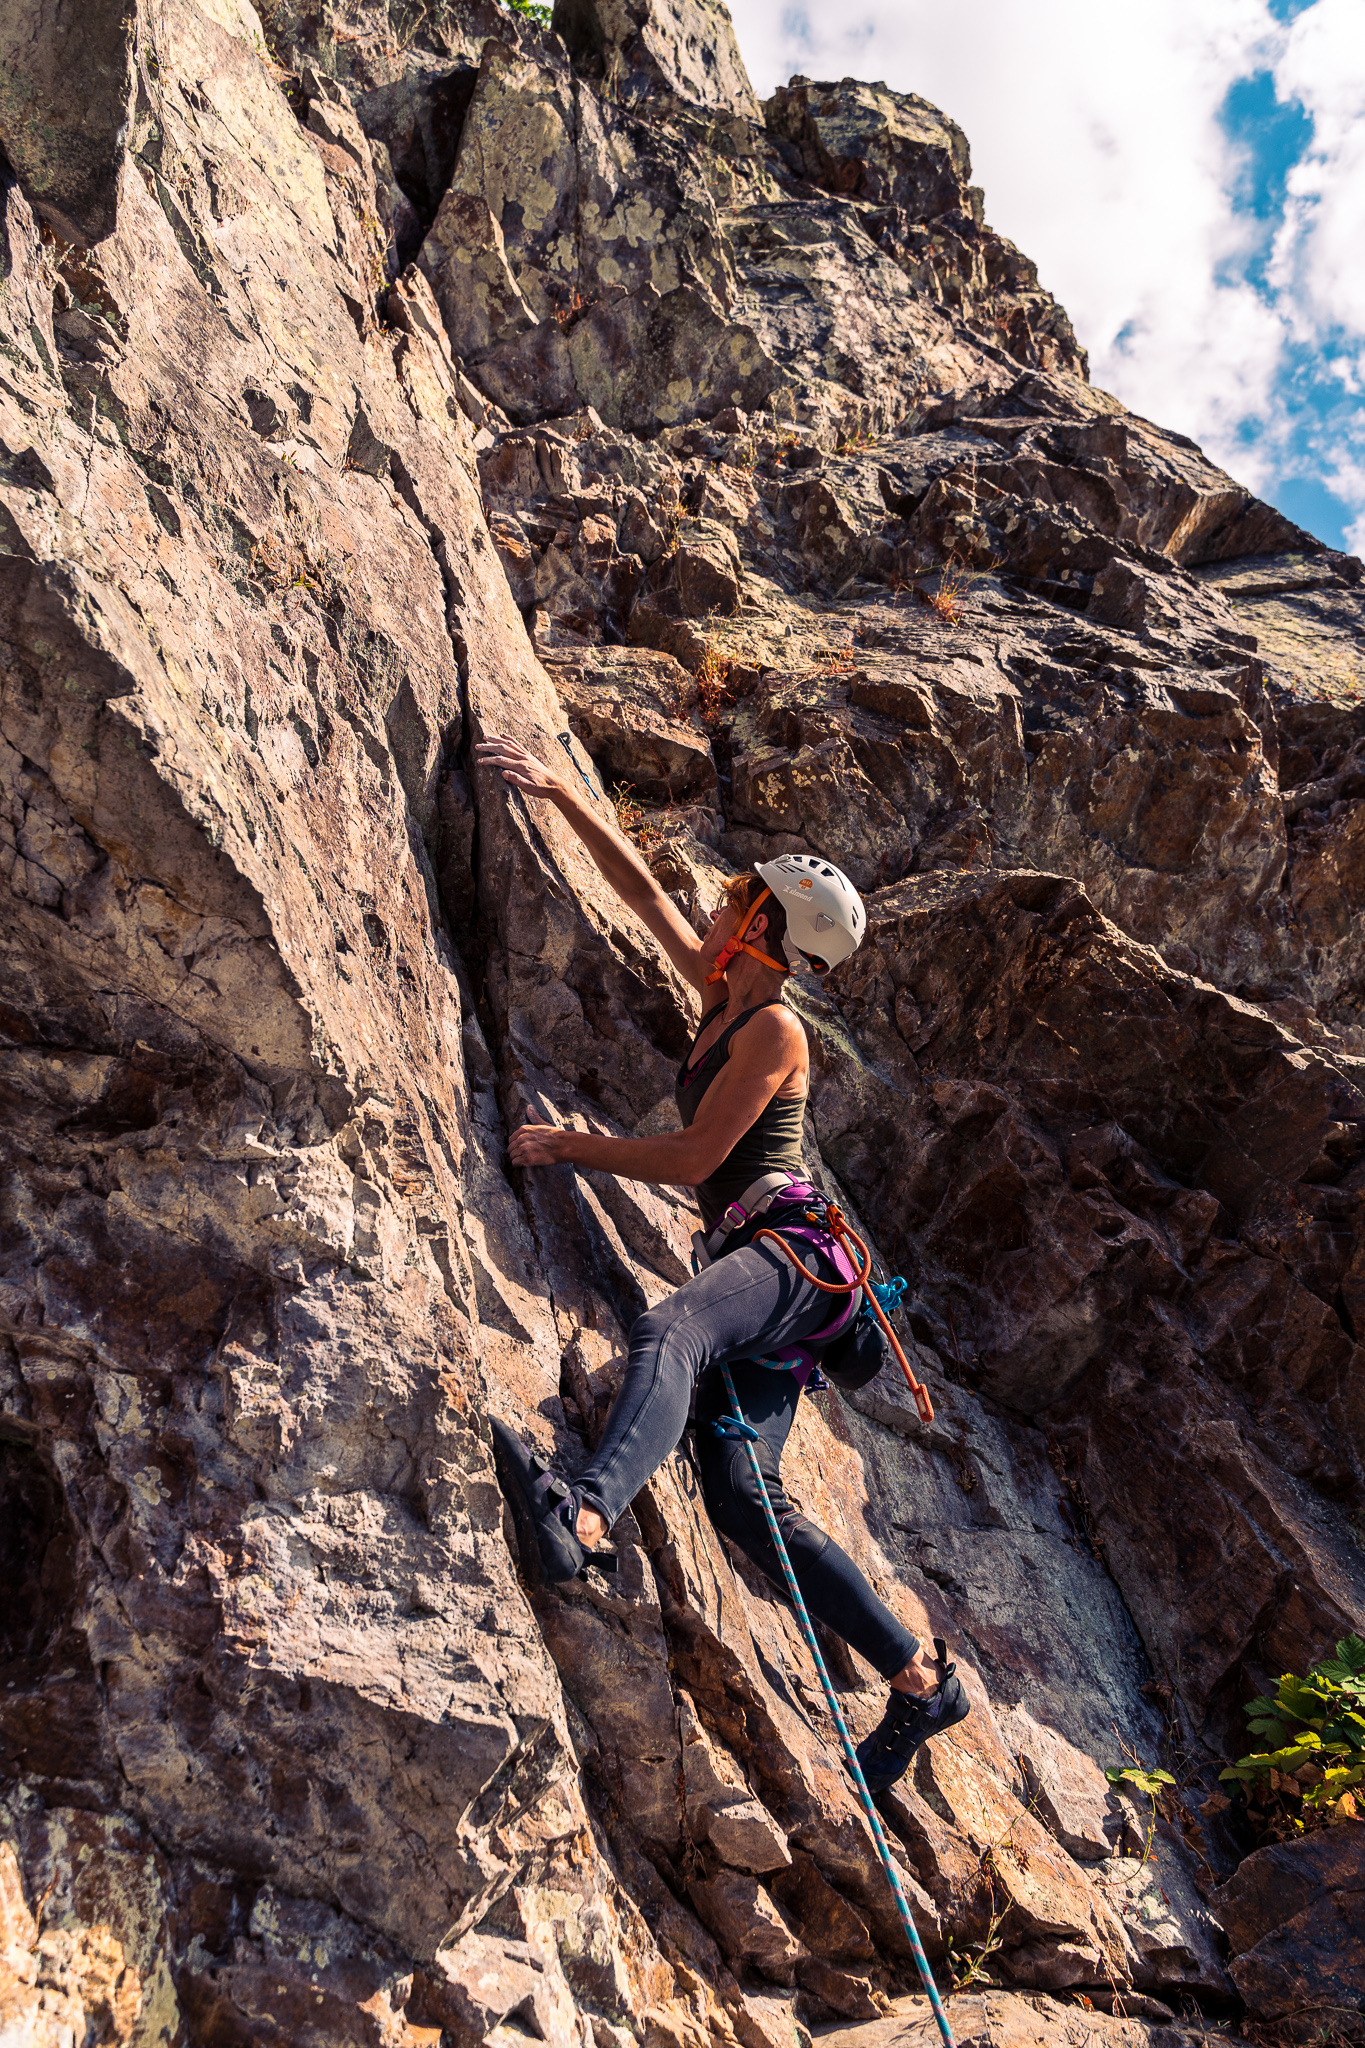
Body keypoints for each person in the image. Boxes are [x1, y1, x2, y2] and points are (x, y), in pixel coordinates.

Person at [475, 731, 968, 1790]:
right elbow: (646, 895)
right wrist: (563, 791)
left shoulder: (776, 1030)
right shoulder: (725, 1000)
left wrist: (569, 1146)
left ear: (764, 927)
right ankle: (923, 1678)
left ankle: (584, 1511)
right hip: (785, 1280)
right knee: (746, 1500)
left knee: (675, 1329)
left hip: (789, 1252)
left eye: (731, 899)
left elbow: (700, 1156)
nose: (709, 907)